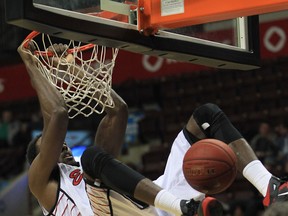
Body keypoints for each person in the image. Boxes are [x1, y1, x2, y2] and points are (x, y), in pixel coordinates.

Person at [19, 43, 222, 216]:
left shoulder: (90, 172)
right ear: (39, 161)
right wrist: (31, 65)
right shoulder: (42, 185)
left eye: (63, 145)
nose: (63, 147)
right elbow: (58, 114)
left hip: (129, 209)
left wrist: (71, 70)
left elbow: (117, 111)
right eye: (52, 146)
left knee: (204, 118)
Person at [180, 103, 288, 208]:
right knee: (206, 115)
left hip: (174, 198)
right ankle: (268, 185)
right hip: (177, 203)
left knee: (206, 115)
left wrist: (182, 207)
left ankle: (269, 186)